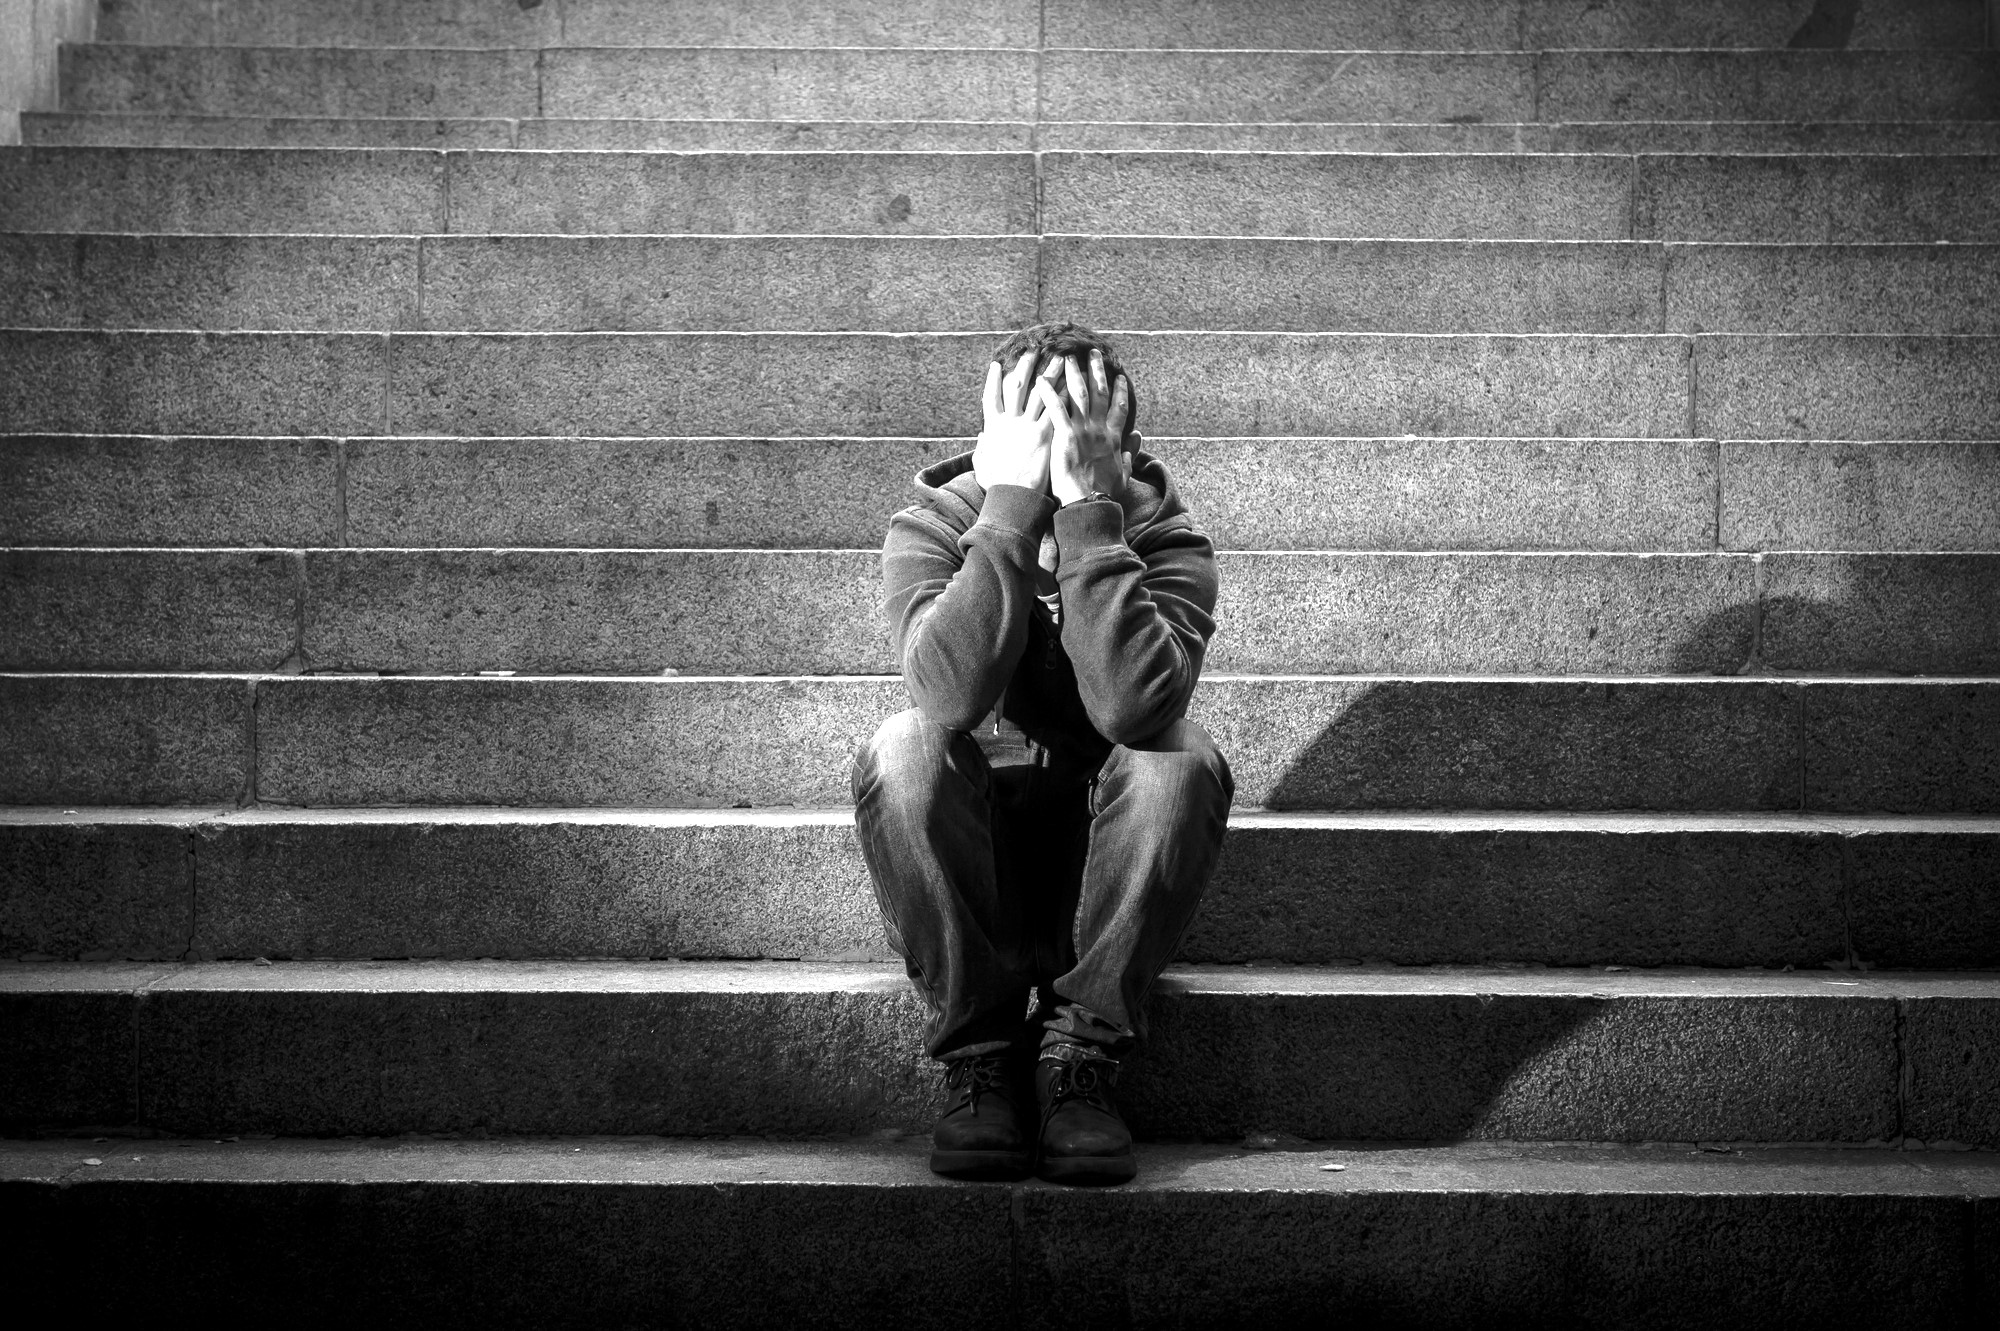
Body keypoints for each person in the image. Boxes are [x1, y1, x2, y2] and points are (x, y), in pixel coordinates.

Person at [850, 321, 1233, 1185]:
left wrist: (1094, 522)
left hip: (1093, 874)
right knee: (904, 746)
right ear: (991, 440)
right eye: (1033, 434)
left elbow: (1135, 708)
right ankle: (981, 1052)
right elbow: (947, 697)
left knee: (1181, 756)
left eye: (1081, 441)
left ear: (1121, 448)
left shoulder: (1167, 541)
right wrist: (1011, 510)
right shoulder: (933, 528)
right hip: (980, 861)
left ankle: (1080, 1051)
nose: (1057, 458)